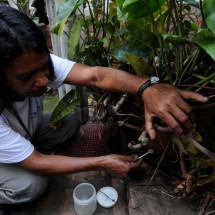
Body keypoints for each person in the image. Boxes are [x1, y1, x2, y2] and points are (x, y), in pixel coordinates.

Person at [0, 4, 208, 206]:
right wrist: (102, 162)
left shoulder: (29, 62)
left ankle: (21, 148)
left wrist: (147, 88)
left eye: (44, 67)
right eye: (27, 77)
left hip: (21, 131)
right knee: (32, 184)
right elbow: (36, 161)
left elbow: (96, 76)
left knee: (69, 123)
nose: (44, 81)